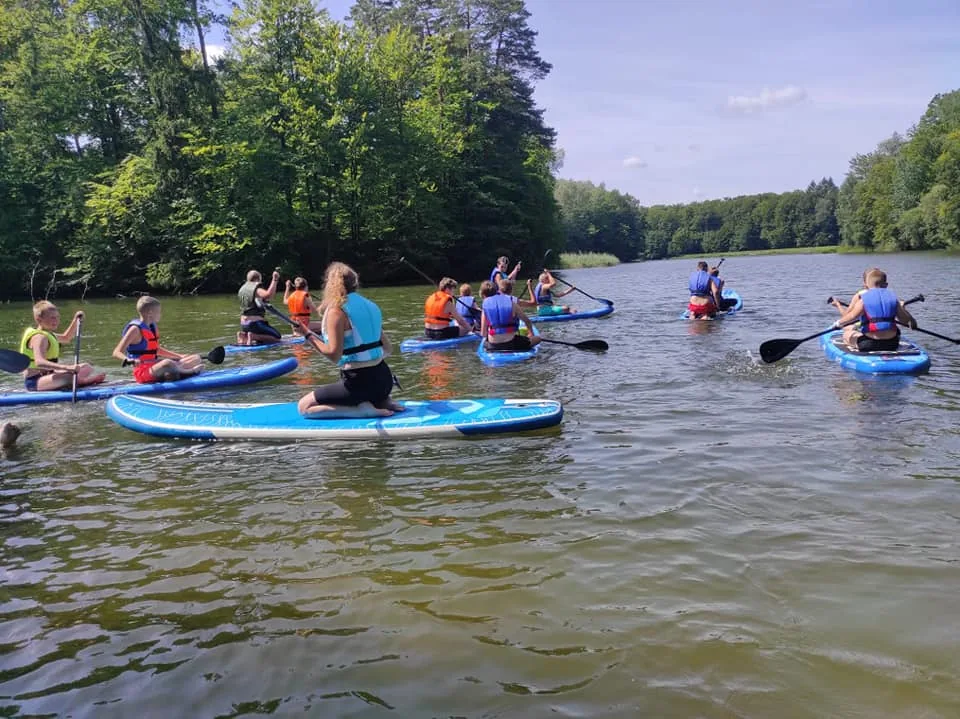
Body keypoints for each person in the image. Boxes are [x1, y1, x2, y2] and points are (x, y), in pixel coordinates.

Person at [297, 262, 403, 418]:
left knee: (304, 407)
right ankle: (382, 401)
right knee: (368, 386)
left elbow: (334, 356)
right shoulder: (371, 306)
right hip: (385, 380)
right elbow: (388, 348)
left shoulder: (337, 310)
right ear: (355, 282)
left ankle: (361, 410)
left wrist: (307, 335)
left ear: (330, 285)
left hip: (359, 383)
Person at [112, 296, 203, 383]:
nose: (161, 314)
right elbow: (116, 352)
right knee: (168, 363)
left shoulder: (152, 327)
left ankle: (174, 373)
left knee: (196, 358)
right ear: (150, 313)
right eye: (159, 312)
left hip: (155, 366)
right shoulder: (135, 330)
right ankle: (190, 372)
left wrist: (179, 356)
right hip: (142, 372)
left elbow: (156, 350)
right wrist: (127, 359)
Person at [19, 301, 106, 391]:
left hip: (49, 376)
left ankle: (76, 381)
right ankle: (85, 382)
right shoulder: (39, 337)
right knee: (70, 376)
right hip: (36, 382)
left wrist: (76, 320)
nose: (56, 321)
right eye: (52, 318)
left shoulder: (48, 334)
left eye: (57, 317)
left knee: (86, 367)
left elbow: (66, 338)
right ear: (39, 319)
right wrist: (66, 368)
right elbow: (39, 362)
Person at [830, 268, 917, 351]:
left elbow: (852, 316)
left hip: (869, 344)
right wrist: (902, 308)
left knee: (846, 334)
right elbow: (906, 322)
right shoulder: (893, 299)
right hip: (892, 344)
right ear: (886, 285)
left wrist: (838, 323)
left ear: (866, 286)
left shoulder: (863, 299)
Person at [480, 278, 542, 352]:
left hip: (493, 346)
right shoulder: (512, 302)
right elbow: (527, 321)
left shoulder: (485, 306)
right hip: (511, 344)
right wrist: (531, 334)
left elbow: (483, 333)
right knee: (538, 339)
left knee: (486, 343)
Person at [237, 269, 282, 345]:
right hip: (255, 324)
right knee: (277, 337)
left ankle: (243, 335)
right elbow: (268, 295)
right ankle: (253, 336)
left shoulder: (242, 289)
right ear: (258, 279)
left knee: (263, 337)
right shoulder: (256, 289)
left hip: (244, 324)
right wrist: (275, 280)